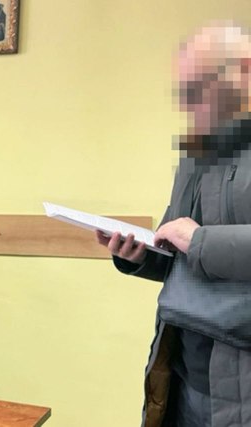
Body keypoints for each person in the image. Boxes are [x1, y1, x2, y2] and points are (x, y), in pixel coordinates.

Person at [97, 23, 251, 427]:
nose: (188, 105)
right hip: (181, 372)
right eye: (184, 91)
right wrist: (138, 254)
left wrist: (198, 240)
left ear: (245, 70)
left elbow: (194, 243)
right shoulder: (197, 151)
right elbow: (176, 250)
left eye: (199, 88)